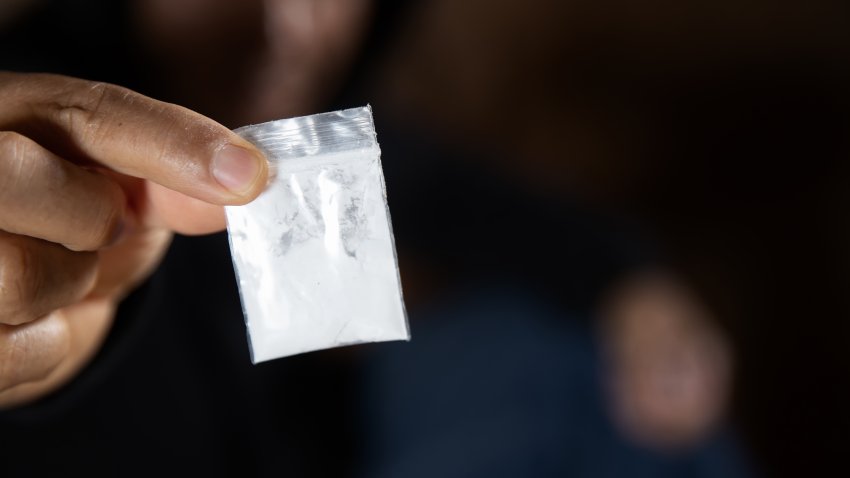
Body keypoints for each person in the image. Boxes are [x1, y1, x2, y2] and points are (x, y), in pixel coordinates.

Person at [1, 1, 756, 476]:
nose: (287, 22)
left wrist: (634, 288)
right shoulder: (41, 112)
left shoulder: (317, 130)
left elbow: (475, 202)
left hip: (323, 438)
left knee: (549, 356)